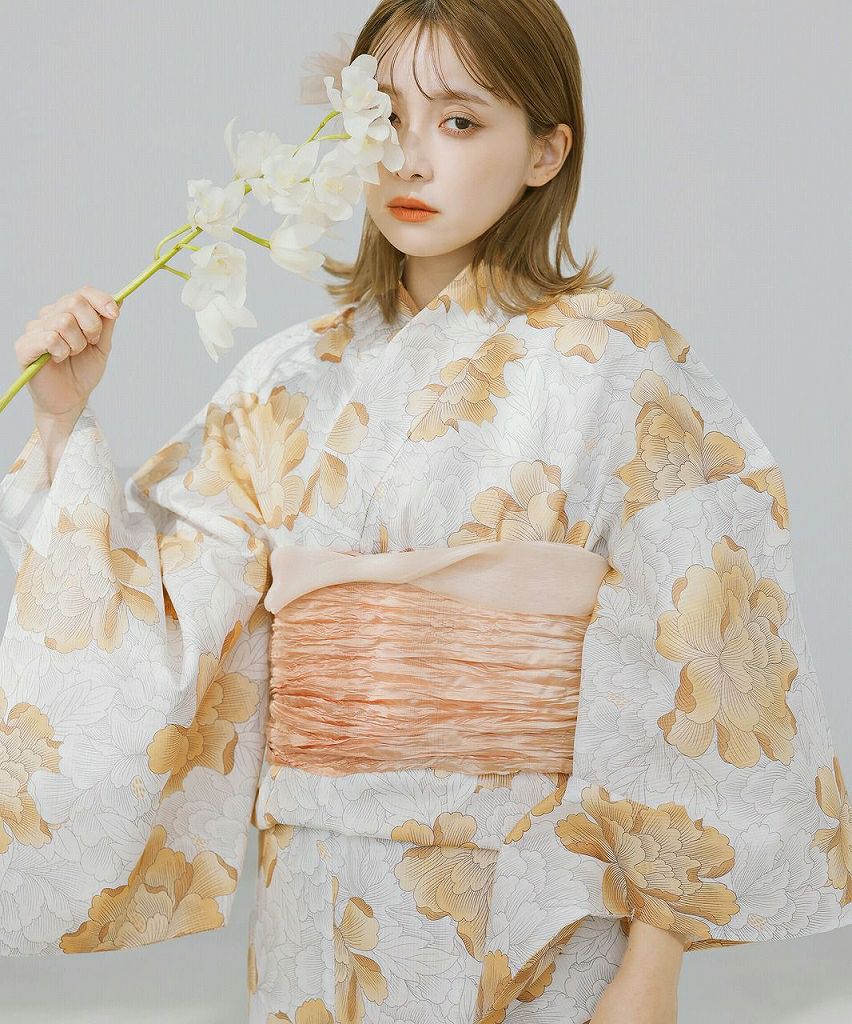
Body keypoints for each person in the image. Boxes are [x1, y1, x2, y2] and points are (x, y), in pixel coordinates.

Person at [1, 2, 850, 1023]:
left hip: (538, 899)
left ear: (545, 150)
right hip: (316, 893)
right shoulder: (288, 379)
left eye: (458, 122)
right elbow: (163, 604)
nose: (409, 158)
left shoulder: (618, 364)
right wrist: (62, 421)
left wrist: (653, 964)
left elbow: (707, 646)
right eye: (385, 118)